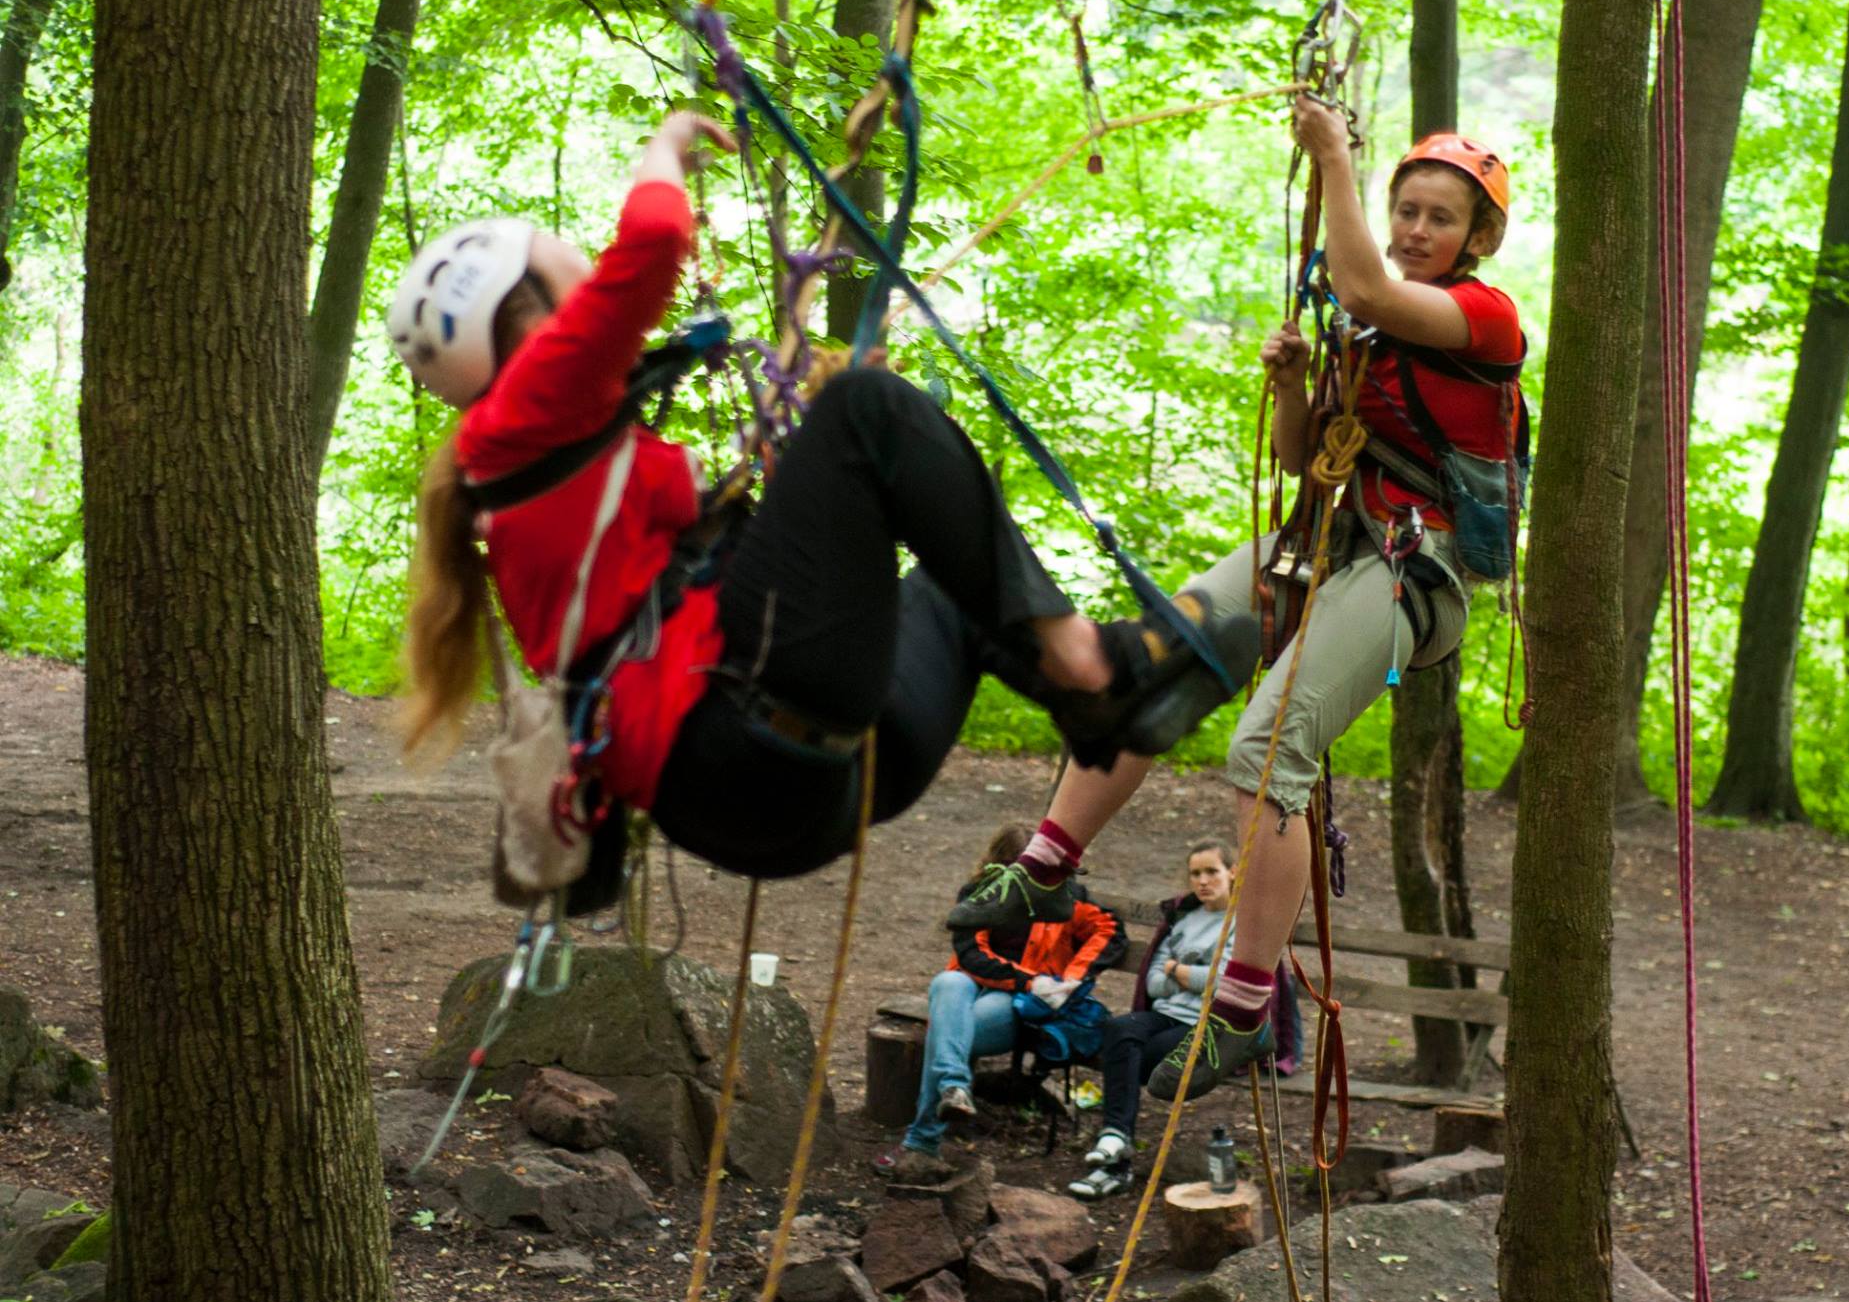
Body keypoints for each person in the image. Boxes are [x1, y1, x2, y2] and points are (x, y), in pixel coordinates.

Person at [389, 111, 1258, 893]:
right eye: (548, 245)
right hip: (739, 745)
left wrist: (817, 469)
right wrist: (665, 149)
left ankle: (1097, 705)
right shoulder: (518, 420)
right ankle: (1095, 666)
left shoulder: (546, 470)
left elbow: (712, 558)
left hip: (793, 803)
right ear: (522, 311)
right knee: (863, 410)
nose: (571, 249)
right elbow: (654, 242)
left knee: (952, 593)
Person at [948, 101, 1523, 1102]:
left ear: (1475, 239)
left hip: (1407, 573)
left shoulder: (1483, 317)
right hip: (1328, 540)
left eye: (1439, 218)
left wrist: (1333, 159)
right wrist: (1299, 386)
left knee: (1264, 751)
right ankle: (1044, 862)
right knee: (1161, 649)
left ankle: (1245, 1006)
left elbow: (1361, 280)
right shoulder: (1362, 327)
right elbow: (1310, 460)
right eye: (1406, 210)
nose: (1415, 230)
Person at [875, 824, 1128, 1179]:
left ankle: (923, 1139)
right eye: (1015, 871)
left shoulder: (1066, 896)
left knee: (946, 1033)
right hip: (977, 990)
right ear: (999, 866)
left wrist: (1072, 977)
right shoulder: (979, 894)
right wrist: (1030, 979)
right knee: (948, 982)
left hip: (1018, 1006)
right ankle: (951, 1090)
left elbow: (1110, 930)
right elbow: (970, 955)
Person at [1067, 842, 1301, 1200]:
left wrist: (1180, 971)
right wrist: (1193, 977)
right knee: (1118, 1029)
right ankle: (1114, 1138)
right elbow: (1154, 983)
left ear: (1232, 872)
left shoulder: (1246, 923)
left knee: (1134, 1057)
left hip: (1212, 1029)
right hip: (1166, 1015)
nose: (1203, 881)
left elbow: (1231, 985)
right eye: (1196, 874)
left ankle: (1115, 1164)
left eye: (1212, 872)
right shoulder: (1183, 918)